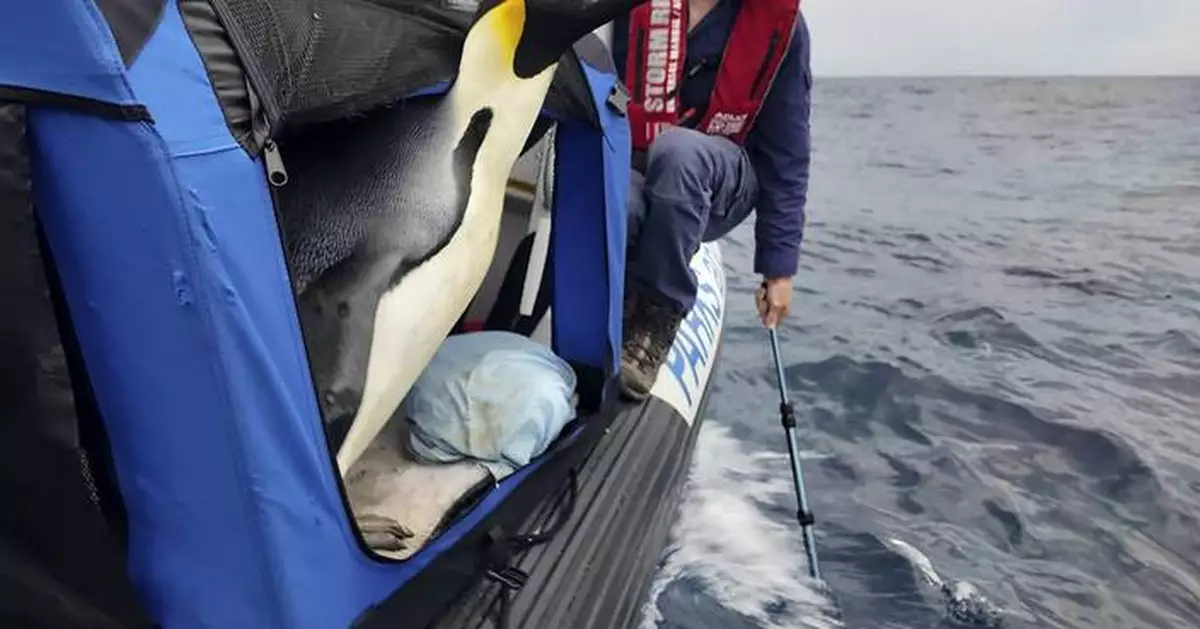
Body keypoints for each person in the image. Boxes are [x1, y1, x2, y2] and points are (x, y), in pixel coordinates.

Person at [612, 0, 813, 400]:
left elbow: (786, 156)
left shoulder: (785, 27)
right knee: (621, 201)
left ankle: (657, 317)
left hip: (722, 179)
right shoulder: (627, 9)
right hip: (636, 161)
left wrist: (778, 270)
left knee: (680, 152)